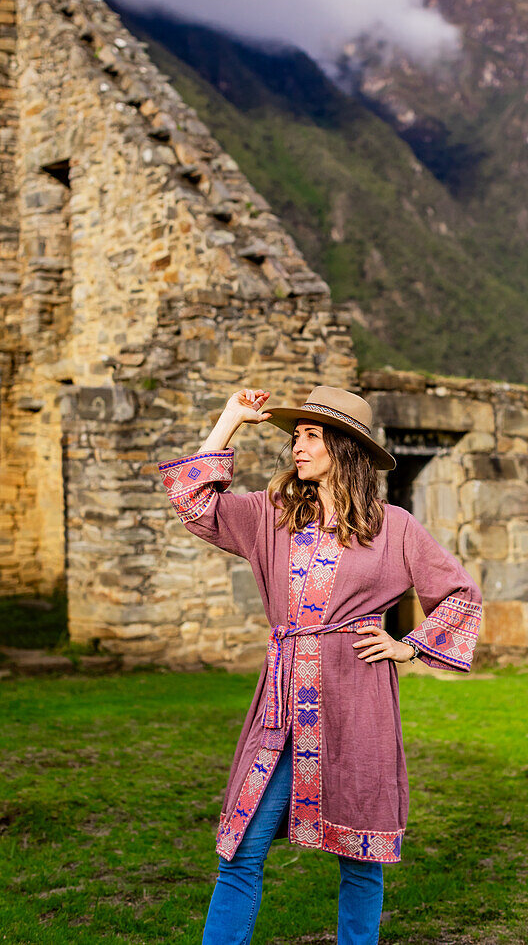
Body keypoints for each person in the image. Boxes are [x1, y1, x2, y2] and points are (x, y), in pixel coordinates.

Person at [158, 384, 483, 945]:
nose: (297, 447)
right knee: (243, 845)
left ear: (345, 447)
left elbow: (459, 594)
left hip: (357, 702)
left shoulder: (394, 526)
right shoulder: (273, 516)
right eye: (297, 436)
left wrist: (409, 645)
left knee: (360, 856)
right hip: (281, 704)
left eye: (312, 436)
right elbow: (195, 504)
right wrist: (230, 420)